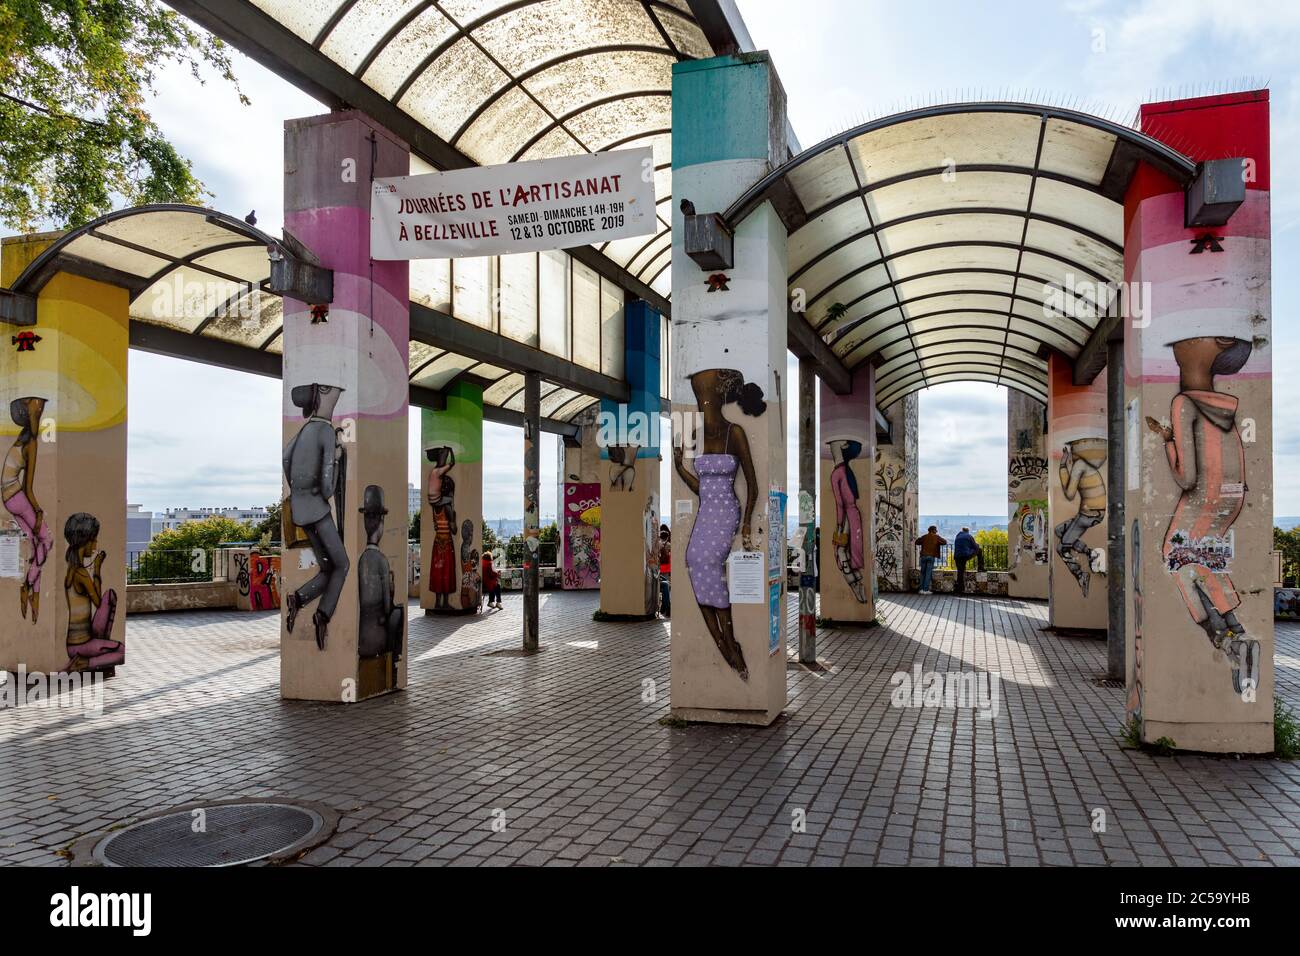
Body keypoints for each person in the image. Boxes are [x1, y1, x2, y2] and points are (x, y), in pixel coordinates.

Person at [282, 383, 349, 649]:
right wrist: (336, 457)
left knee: (328, 567)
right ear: (321, 395)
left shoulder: (300, 433)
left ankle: (298, 599)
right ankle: (323, 614)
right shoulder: (324, 432)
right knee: (342, 565)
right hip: (318, 512)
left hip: (300, 511)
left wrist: (299, 490)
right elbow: (328, 488)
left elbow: (286, 459)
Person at [4, 397, 51, 623]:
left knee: (36, 547)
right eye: (36, 406)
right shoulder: (31, 443)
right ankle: (27, 587)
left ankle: (35, 598)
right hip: (16, 495)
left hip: (7, 497)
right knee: (47, 541)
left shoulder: (21, 440)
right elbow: (28, 489)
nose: (40, 409)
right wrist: (39, 512)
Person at [915, 525, 946, 594]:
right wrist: (937, 542)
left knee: (922, 573)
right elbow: (944, 542)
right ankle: (926, 590)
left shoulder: (925, 536)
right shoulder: (936, 537)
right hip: (931, 556)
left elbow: (917, 542)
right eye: (935, 530)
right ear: (934, 531)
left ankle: (921, 589)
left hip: (923, 556)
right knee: (928, 573)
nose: (936, 531)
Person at [954, 527, 978, 593]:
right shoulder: (969, 536)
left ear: (962, 531)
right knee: (979, 549)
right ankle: (981, 567)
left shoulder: (957, 536)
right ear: (968, 531)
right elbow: (975, 546)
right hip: (964, 555)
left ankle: (960, 588)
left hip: (957, 556)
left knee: (960, 571)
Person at [657, 524, 671, 617]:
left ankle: (664, 607)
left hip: (659, 568)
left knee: (665, 585)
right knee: (667, 585)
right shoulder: (669, 545)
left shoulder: (657, 544)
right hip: (666, 568)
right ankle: (666, 607)